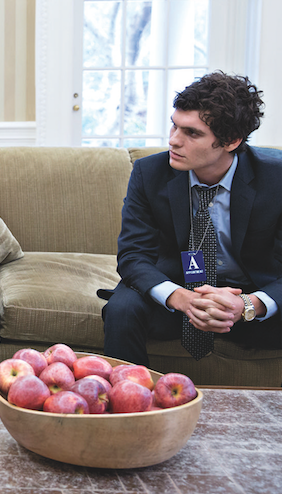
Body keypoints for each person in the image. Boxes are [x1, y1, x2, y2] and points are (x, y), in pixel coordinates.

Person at [103, 71, 282, 366]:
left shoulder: (275, 179)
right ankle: (126, 404)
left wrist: (249, 305)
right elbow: (134, 256)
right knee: (122, 307)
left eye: (192, 133)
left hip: (251, 295)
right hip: (178, 289)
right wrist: (181, 299)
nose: (174, 141)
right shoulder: (150, 174)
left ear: (231, 141)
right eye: (174, 126)